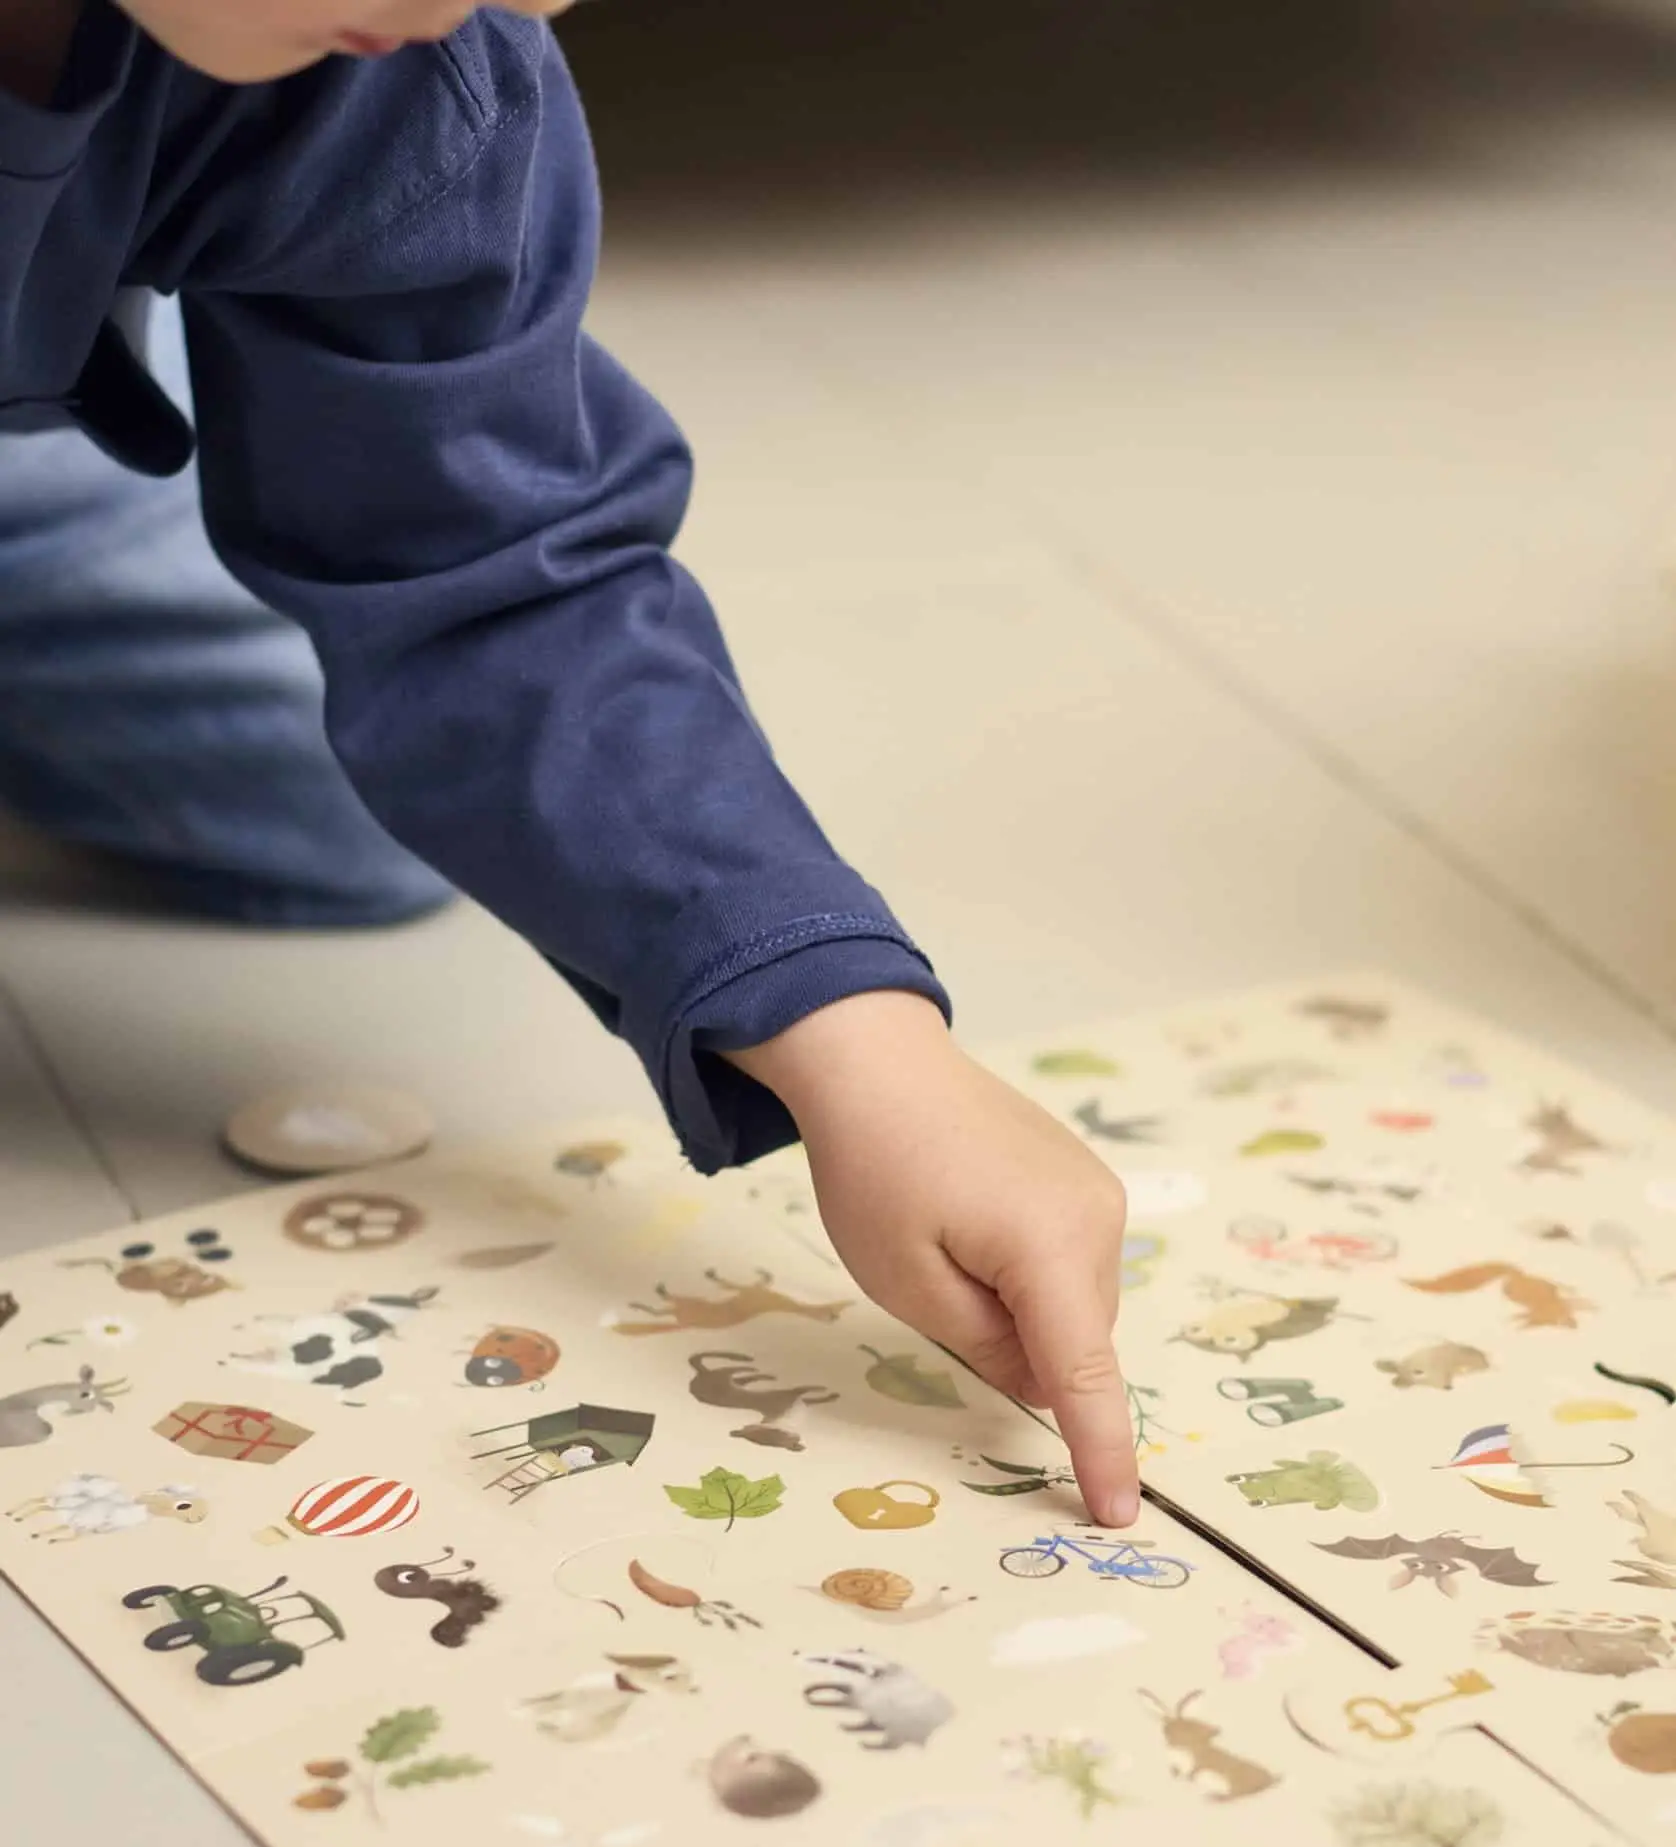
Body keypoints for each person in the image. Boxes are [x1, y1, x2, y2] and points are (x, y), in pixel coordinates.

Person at [0, 0, 1139, 1525]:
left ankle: (131, 357)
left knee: (327, 795)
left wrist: (859, 1044)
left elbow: (495, 579)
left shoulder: (401, 59)